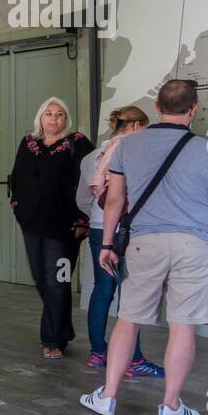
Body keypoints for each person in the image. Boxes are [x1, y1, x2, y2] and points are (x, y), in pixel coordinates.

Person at [81, 79, 208, 415]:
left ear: (156, 108)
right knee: (182, 327)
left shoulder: (129, 146)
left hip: (144, 242)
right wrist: (196, 199)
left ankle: (107, 398)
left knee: (128, 319)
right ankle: (171, 406)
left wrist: (106, 245)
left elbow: (116, 200)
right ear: (193, 110)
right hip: (194, 244)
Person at [75, 107, 164, 376]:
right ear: (136, 126)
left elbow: (81, 200)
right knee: (131, 295)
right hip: (128, 229)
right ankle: (133, 359)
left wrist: (96, 214)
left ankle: (97, 353)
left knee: (102, 290)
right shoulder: (134, 151)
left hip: (98, 229)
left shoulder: (91, 157)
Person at [8, 97, 94, 359]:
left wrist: (83, 220)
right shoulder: (28, 143)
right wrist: (17, 205)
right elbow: (18, 175)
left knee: (58, 280)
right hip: (32, 222)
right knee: (40, 277)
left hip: (65, 226)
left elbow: (89, 181)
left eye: (59, 114)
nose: (53, 118)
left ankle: (53, 338)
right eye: (48, 113)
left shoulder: (77, 142)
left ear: (65, 119)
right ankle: (63, 327)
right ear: (40, 118)